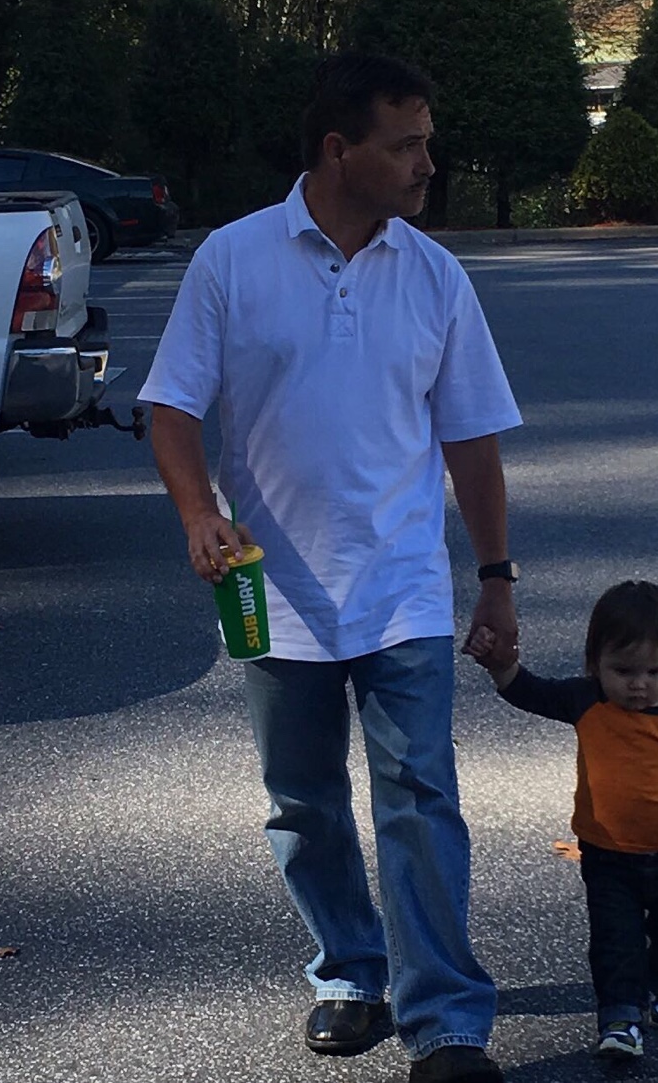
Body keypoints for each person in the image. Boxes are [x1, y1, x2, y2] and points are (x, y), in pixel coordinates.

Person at [138, 52, 522, 1083]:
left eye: (427, 141)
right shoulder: (233, 258)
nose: (427, 163)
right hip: (274, 591)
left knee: (419, 796)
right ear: (338, 150)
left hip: (401, 588)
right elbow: (170, 404)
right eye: (408, 143)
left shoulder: (435, 275)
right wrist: (197, 514)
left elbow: (473, 440)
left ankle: (446, 1021)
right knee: (302, 800)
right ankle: (352, 972)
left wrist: (496, 577)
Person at [464, 580, 658, 1062]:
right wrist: (500, 665)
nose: (639, 684)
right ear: (594, 664)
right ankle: (621, 1015)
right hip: (608, 856)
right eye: (622, 671)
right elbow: (530, 692)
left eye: (655, 670)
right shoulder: (587, 701)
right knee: (615, 940)